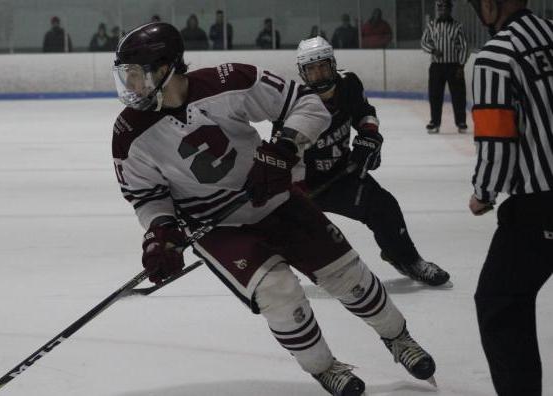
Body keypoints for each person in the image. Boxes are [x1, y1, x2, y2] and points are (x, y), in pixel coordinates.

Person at [112, 22, 436, 396]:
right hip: (217, 228)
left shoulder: (229, 80)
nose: (130, 85)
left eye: (136, 75)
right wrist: (160, 234)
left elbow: (306, 103)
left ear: (165, 67)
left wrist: (284, 149)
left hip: (276, 200)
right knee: (279, 293)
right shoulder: (128, 134)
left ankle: (399, 338)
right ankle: (324, 367)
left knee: (350, 277)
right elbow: (147, 196)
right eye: (127, 76)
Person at [287, 36, 450, 287]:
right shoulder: (296, 105)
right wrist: (294, 191)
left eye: (323, 66)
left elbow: (365, 113)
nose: (319, 74)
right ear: (303, 72)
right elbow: (284, 154)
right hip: (306, 185)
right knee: (287, 234)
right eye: (311, 69)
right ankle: (273, 280)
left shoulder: (348, 83)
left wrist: (369, 137)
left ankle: (407, 259)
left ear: (332, 64)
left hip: (343, 175)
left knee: (384, 207)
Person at [466, 0, 553, 395]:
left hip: (540, 205)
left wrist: (484, 193)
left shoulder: (496, 57)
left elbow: (497, 140)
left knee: (501, 302)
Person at [420, 0, 468, 134]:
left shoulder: (458, 26)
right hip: (436, 66)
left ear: (450, 10)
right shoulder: (431, 25)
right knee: (435, 95)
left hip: (454, 66)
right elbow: (423, 42)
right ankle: (435, 121)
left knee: (458, 95)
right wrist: (433, 50)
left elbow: (464, 46)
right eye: (440, 8)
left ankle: (461, 122)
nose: (442, 11)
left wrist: (461, 65)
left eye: (445, 8)